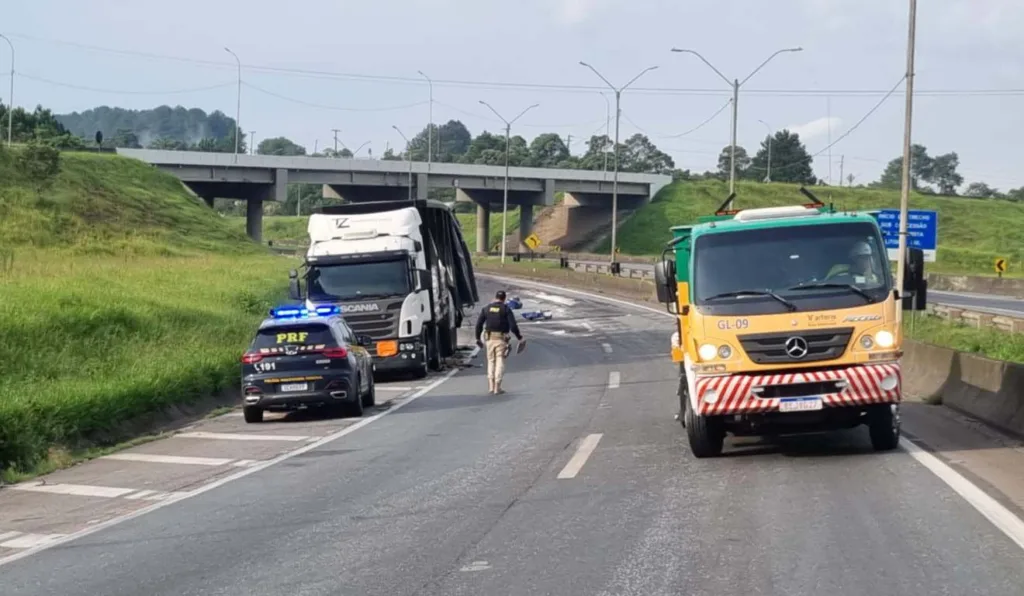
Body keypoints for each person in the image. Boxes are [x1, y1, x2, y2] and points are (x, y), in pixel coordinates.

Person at [474, 290, 524, 394]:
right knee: (500, 361)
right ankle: (497, 386)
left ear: (495, 297)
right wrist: (519, 337)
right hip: (501, 339)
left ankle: (491, 386)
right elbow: (513, 326)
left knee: (491, 361)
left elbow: (478, 325)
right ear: (504, 299)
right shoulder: (506, 309)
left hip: (489, 339)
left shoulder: (486, 308)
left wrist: (477, 338)